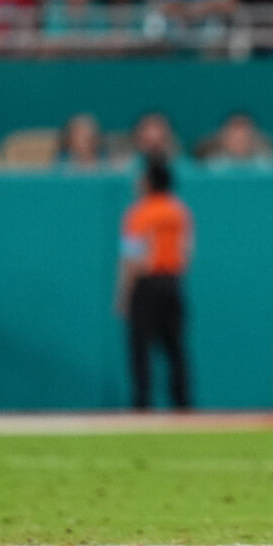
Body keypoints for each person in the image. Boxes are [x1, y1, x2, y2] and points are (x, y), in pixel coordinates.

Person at [116, 157, 193, 410]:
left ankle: (142, 404)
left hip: (147, 284)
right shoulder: (178, 211)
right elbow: (187, 250)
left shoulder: (140, 213)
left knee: (141, 348)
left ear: (148, 182)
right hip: (172, 282)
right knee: (175, 348)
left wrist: (124, 295)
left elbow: (133, 258)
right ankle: (182, 404)